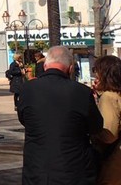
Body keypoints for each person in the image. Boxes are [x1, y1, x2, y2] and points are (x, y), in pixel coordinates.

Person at [17, 46, 103, 185]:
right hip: (73, 170)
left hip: (37, 169)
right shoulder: (81, 92)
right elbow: (96, 127)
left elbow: (23, 119)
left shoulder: (27, 90)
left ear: (45, 66)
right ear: (70, 69)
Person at [91, 55, 121, 184]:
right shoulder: (116, 94)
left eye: (97, 73)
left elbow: (109, 135)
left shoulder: (108, 97)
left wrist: (91, 130)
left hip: (113, 162)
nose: (95, 78)